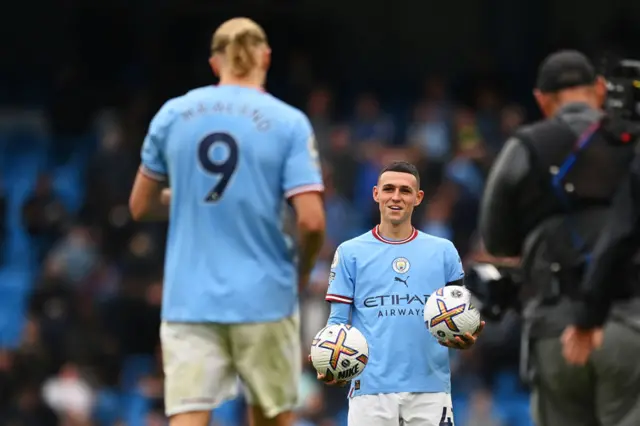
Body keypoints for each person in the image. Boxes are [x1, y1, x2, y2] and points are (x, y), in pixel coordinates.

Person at [129, 17, 326, 426]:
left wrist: (182, 198)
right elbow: (310, 221)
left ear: (215, 63)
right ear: (266, 58)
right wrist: (302, 271)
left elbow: (139, 206)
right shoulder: (288, 122)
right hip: (266, 296)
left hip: (190, 298)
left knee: (188, 416)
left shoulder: (172, 114)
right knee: (271, 417)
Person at [479, 50, 640, 426]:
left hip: (556, 326)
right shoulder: (633, 142)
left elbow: (497, 241)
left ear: (540, 98)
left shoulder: (524, 146)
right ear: (600, 89)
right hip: (630, 325)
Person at [317, 161, 484, 426]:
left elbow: (460, 315)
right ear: (376, 194)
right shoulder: (350, 252)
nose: (396, 197)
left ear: (418, 198)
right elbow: (338, 323)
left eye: (405, 191)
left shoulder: (444, 252)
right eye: (389, 189)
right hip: (369, 392)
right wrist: (329, 360)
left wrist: (466, 338)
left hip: (430, 391)